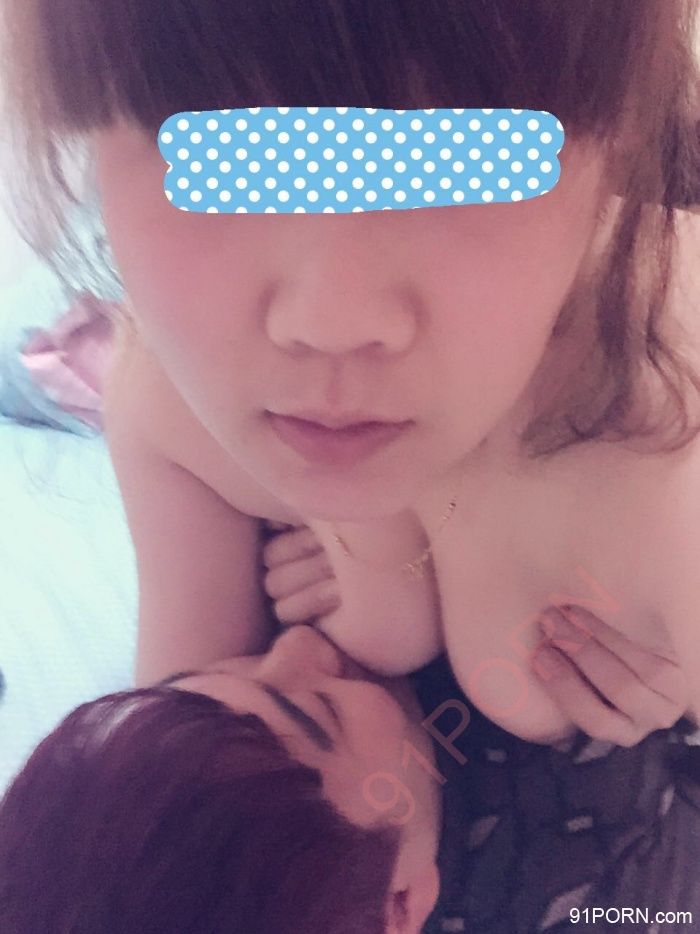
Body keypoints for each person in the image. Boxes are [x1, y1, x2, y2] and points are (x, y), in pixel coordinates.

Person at [0, 0, 699, 930]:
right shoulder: (164, 405)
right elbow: (178, 796)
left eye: (461, 159)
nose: (329, 321)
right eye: (220, 156)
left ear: (615, 148)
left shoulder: (669, 478)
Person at [0, 624, 442, 933]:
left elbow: (183, 510)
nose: (298, 641)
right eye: (322, 709)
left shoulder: (182, 763)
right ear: (398, 909)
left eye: (202, 675)